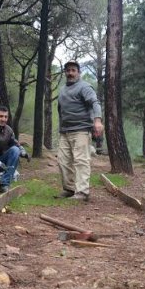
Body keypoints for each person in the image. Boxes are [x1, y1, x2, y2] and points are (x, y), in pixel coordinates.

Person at [57, 60, 103, 201]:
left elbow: (95, 103)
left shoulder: (85, 87)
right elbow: (61, 110)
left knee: (81, 161)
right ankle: (70, 189)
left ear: (78, 72)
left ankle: (82, 192)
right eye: (68, 70)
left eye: (73, 70)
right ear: (65, 72)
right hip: (65, 131)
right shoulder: (63, 90)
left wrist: (97, 121)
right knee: (63, 161)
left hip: (81, 130)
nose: (70, 73)